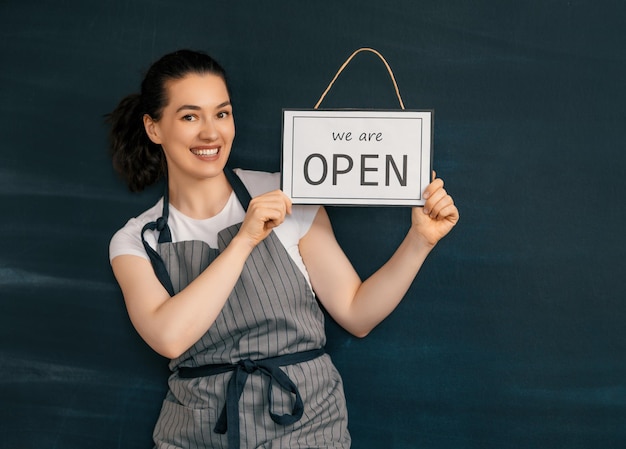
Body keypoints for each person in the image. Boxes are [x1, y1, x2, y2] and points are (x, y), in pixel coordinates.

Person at [107, 49, 459, 449]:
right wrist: (245, 239)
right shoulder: (137, 239)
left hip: (305, 427)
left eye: (222, 113)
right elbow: (169, 338)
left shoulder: (289, 193)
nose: (211, 133)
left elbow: (357, 313)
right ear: (154, 128)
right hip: (194, 433)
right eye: (190, 117)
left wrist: (420, 241)